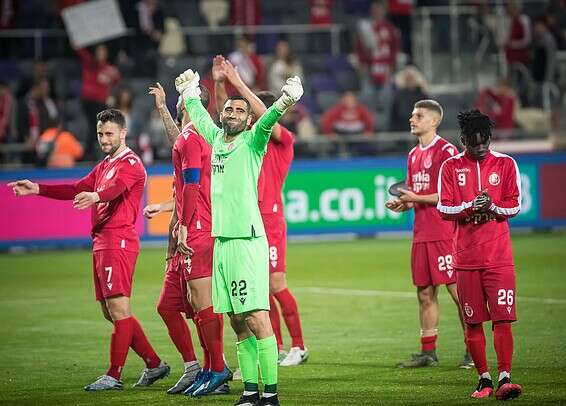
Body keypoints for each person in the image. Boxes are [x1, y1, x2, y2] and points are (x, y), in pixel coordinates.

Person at [8, 109, 169, 391]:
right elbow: (76, 187)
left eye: (109, 134)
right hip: (102, 241)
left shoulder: (130, 163)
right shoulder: (105, 165)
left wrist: (96, 195)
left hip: (118, 240)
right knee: (111, 311)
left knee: (119, 308)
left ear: (123, 133)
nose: (104, 139)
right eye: (100, 134)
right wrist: (37, 188)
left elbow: (116, 189)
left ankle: (113, 375)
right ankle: (154, 363)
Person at [175, 66, 303, 406]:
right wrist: (190, 92)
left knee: (257, 317)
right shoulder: (215, 138)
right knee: (236, 320)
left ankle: (270, 395)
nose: (232, 113)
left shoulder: (253, 141)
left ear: (248, 120)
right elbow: (199, 115)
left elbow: (269, 119)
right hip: (221, 242)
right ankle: (249, 392)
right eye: (228, 109)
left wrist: (286, 101)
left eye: (239, 110)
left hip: (247, 242)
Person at [212, 57, 308, 367]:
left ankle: (299, 346)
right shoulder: (244, 141)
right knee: (260, 290)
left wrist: (237, 81)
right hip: (246, 222)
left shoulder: (281, 140)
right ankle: (275, 345)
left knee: (276, 285)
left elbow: (267, 117)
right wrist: (220, 82)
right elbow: (223, 114)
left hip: (269, 221)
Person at [146, 83, 231, 396]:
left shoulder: (193, 137)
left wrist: (183, 224)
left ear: (187, 104)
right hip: (198, 225)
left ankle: (217, 368)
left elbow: (192, 184)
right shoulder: (200, 136)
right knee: (193, 305)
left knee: (203, 303)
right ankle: (208, 369)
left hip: (197, 228)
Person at [437, 109, 523, 401]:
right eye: (474, 144)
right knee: (473, 322)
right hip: (466, 259)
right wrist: (471, 207)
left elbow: (515, 205)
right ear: (463, 140)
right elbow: (444, 208)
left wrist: (493, 207)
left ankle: (505, 378)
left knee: (503, 320)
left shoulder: (506, 164)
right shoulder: (450, 167)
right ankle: (483, 379)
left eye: (485, 142)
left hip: (499, 258)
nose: (481, 148)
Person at [385, 99, 471, 369]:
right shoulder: (413, 154)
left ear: (434, 121)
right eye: (412, 115)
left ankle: (473, 349)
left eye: (418, 115)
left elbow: (451, 195)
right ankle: (428, 352)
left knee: (459, 293)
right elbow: (414, 195)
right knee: (424, 294)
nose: (412, 119)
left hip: (444, 233)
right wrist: (403, 204)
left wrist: (416, 198)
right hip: (421, 234)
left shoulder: (447, 152)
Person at [76, 44, 121, 161]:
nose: (101, 54)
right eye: (99, 51)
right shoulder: (90, 63)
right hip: (89, 101)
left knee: (103, 127)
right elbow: (80, 50)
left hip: (101, 103)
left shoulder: (109, 69)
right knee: (93, 126)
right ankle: (89, 153)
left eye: (103, 51)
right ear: (95, 53)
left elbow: (117, 82)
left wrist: (112, 94)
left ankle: (98, 152)